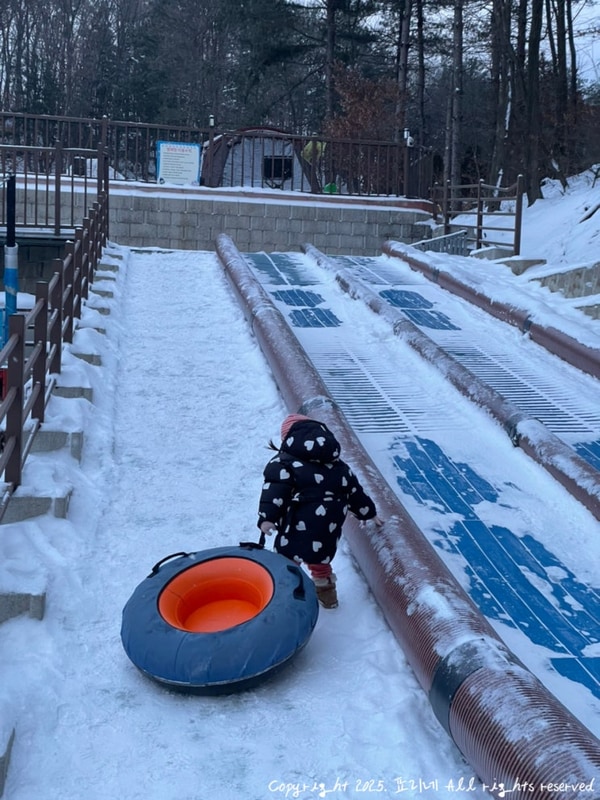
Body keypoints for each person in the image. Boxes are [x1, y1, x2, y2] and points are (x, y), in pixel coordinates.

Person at [257, 414, 383, 609]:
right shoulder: (338, 466)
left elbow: (274, 492)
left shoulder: (283, 463)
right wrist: (368, 512)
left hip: (294, 525)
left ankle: (286, 597)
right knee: (320, 562)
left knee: (288, 562)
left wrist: (267, 518)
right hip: (326, 529)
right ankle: (327, 596)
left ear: (287, 439)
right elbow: (354, 492)